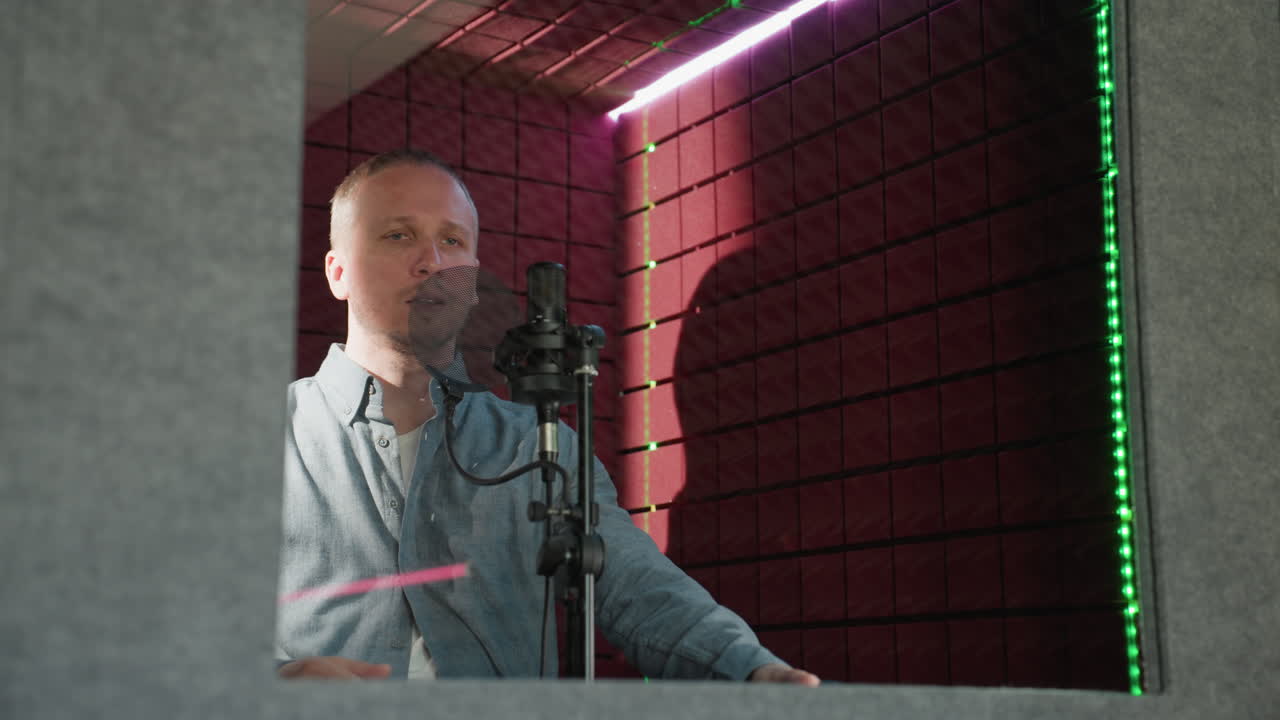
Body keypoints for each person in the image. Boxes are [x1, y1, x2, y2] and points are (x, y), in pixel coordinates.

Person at [274, 148, 819, 686]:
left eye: (452, 241)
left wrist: (752, 673)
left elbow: (637, 588)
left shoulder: (538, 447)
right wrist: (274, 679)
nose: (432, 262)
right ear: (337, 271)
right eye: (399, 235)